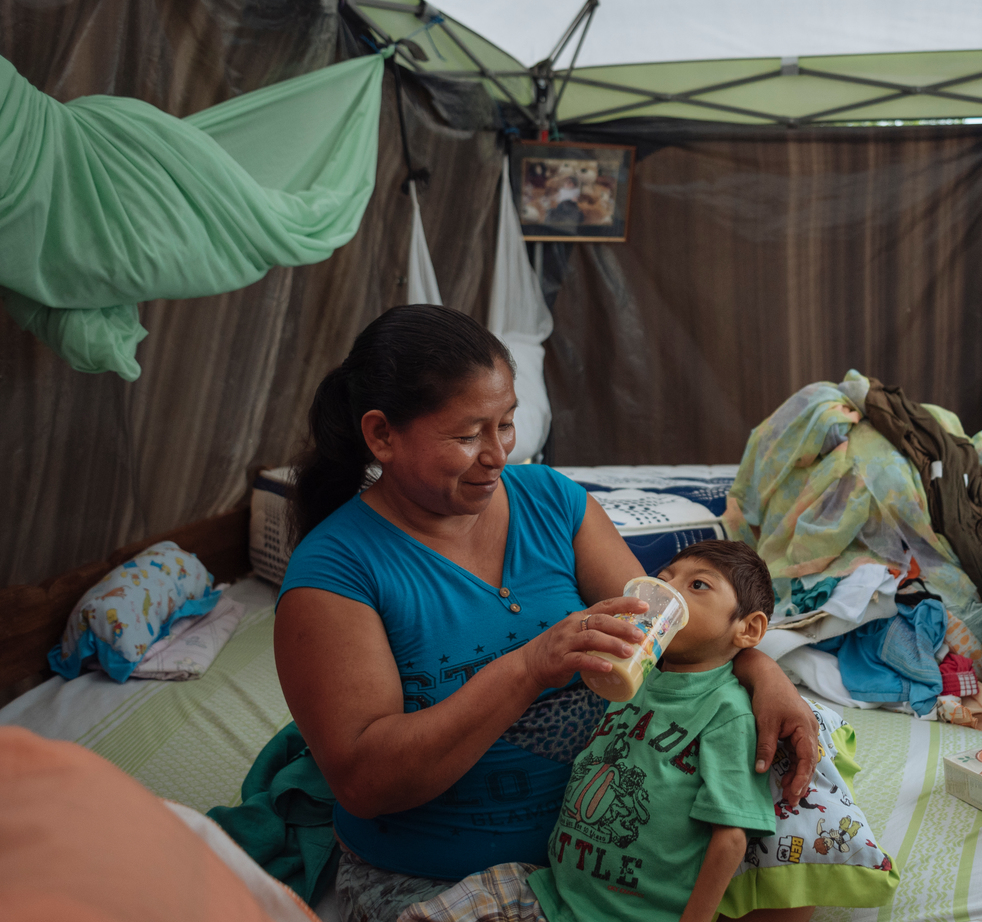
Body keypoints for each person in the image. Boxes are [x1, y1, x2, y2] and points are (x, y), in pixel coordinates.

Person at [273, 305, 818, 922]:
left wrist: (766, 675)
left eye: (505, 424)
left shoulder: (551, 502)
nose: (497, 454)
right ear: (382, 436)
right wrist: (529, 666)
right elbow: (365, 783)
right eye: (466, 435)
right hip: (439, 873)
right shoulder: (337, 572)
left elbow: (670, 627)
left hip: (624, 847)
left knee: (800, 815)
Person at [407, 539, 779, 922]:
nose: (667, 593)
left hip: (629, 913)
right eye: (662, 580)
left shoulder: (727, 712)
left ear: (748, 630)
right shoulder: (633, 678)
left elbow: (732, 836)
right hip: (552, 892)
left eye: (698, 585)